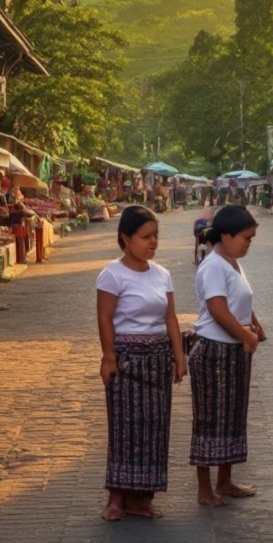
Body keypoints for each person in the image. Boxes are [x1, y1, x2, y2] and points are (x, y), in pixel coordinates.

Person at [96, 206, 187, 522]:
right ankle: (116, 498)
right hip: (127, 363)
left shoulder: (162, 274)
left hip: (158, 362)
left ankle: (141, 498)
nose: (153, 243)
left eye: (155, 236)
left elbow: (170, 317)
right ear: (125, 238)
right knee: (124, 429)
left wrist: (179, 357)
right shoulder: (112, 274)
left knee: (153, 430)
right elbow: (105, 317)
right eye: (146, 237)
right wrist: (109, 357)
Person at [189, 205, 264, 507]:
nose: (249, 242)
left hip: (234, 350)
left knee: (232, 417)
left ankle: (225, 480)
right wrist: (247, 335)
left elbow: (239, 299)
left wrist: (255, 325)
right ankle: (205, 489)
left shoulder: (231, 261)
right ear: (226, 235)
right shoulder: (214, 266)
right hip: (214, 351)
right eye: (246, 237)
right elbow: (218, 310)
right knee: (210, 419)